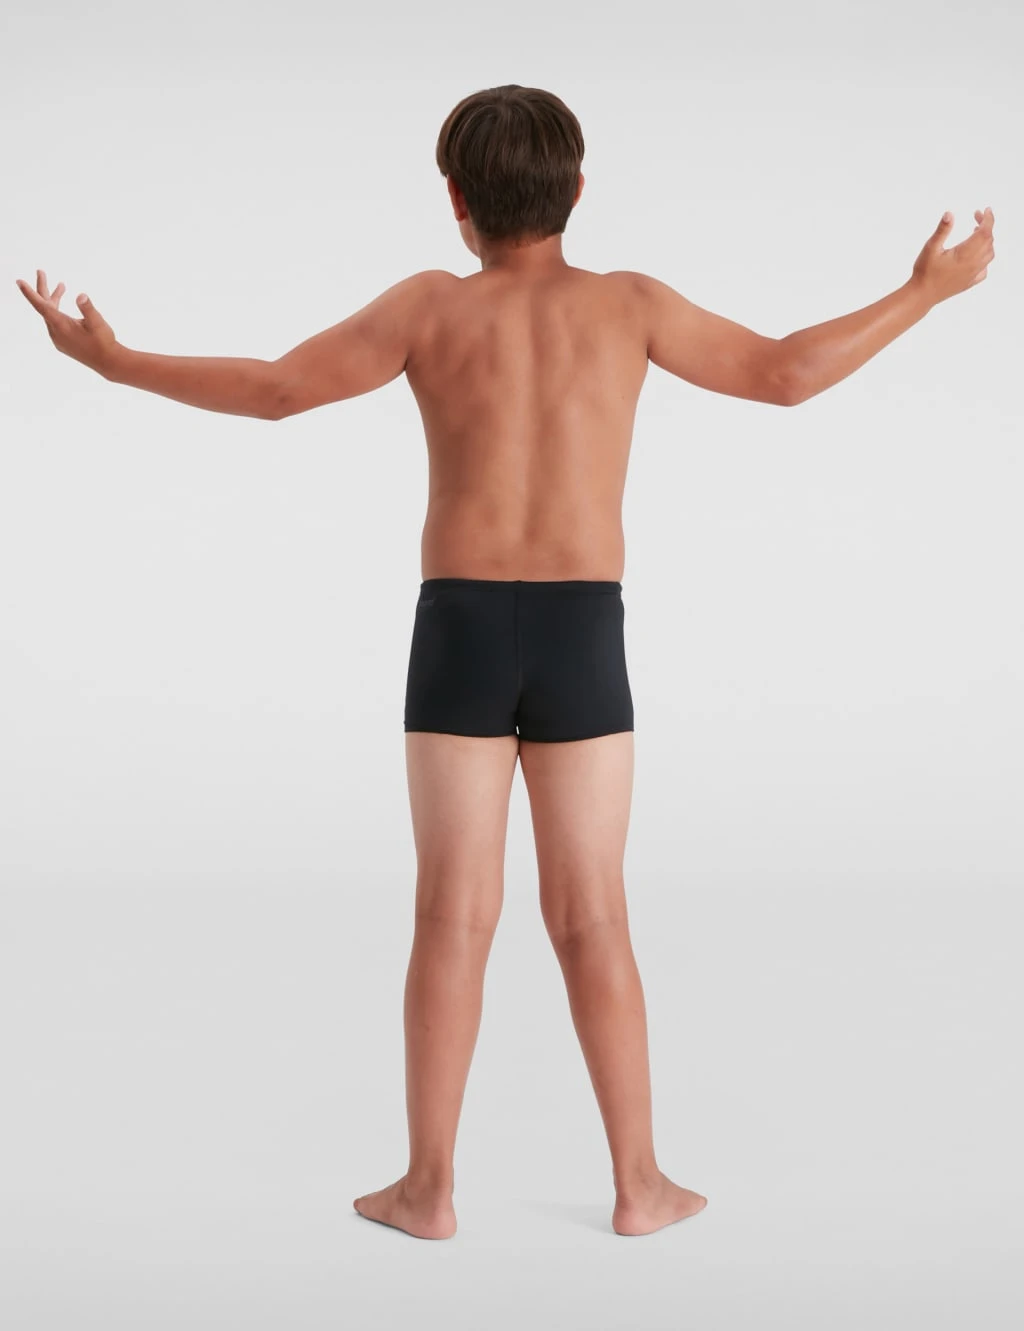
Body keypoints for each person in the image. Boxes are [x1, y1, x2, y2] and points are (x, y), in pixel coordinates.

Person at [16, 84, 995, 1242]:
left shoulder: (428, 308)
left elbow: (278, 391)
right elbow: (784, 372)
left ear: (455, 200)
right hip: (583, 630)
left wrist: (116, 362)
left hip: (461, 628)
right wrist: (926, 292)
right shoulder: (629, 304)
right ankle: (640, 1186)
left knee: (450, 914)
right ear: (577, 189)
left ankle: (426, 1190)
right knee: (594, 916)